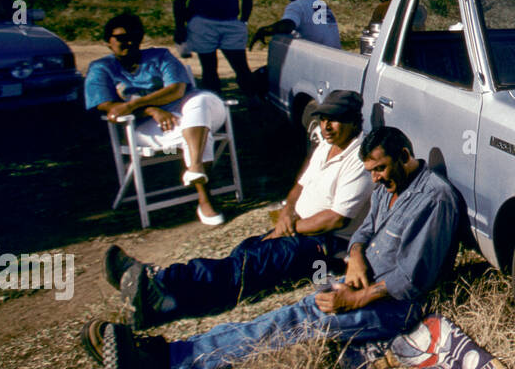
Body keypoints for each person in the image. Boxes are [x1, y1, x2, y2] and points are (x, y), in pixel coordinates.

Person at [94, 125, 462, 369]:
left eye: (380, 169)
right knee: (278, 317)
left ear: (404, 156)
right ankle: (167, 357)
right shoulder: (387, 183)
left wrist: (356, 298)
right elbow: (366, 230)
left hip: (394, 305)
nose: (376, 178)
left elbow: (414, 279)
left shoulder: (434, 199)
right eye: (371, 172)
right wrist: (355, 254)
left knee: (284, 327)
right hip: (358, 281)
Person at [97, 90, 372, 332]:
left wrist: (286, 231)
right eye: (323, 119)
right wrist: (288, 210)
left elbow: (337, 218)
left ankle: (161, 282)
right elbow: (301, 182)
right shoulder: (326, 144)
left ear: (353, 122)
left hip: (327, 246)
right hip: (299, 229)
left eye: (334, 120)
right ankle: (167, 302)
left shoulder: (359, 157)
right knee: (245, 253)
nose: (326, 126)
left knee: (250, 264)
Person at [86, 12, 230, 226]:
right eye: (121, 37)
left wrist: (134, 104)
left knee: (199, 101)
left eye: (134, 35)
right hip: (147, 128)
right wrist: (152, 110)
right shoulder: (101, 68)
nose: (129, 41)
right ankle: (204, 197)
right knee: (200, 130)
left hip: (195, 113)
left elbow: (177, 89)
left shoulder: (160, 56)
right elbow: (109, 107)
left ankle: (197, 169)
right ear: (108, 42)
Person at [250, 0, 341, 49]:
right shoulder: (320, 4)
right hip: (335, 55)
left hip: (318, 59)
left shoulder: (297, 6)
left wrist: (264, 31)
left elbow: (287, 25)